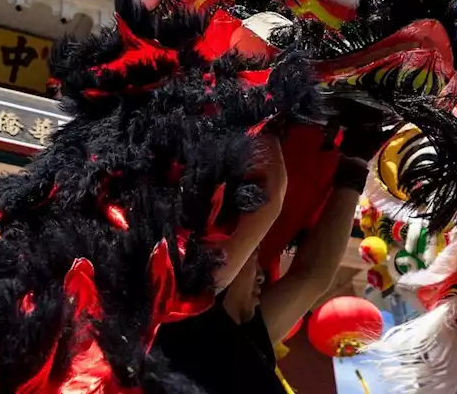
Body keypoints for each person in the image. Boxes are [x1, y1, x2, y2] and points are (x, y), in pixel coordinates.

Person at [153, 129, 376, 394]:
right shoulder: (243, 347)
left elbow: (268, 195)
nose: (262, 279)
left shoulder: (180, 306)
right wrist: (355, 169)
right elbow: (312, 277)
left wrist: (273, 112)